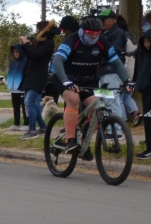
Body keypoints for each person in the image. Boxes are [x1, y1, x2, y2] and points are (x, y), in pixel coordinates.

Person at [51, 16, 131, 153]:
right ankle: (70, 140)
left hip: (87, 79)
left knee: (98, 109)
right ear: (82, 31)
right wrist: (66, 80)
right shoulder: (72, 39)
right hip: (64, 76)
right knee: (73, 99)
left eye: (97, 33)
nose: (94, 36)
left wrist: (127, 81)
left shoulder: (102, 42)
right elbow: (57, 61)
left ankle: (82, 142)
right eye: (90, 33)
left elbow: (116, 63)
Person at [18, 20, 57, 139]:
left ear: (42, 30)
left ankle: (32, 130)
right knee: (34, 103)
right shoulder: (41, 42)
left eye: (37, 29)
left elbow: (36, 54)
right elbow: (30, 54)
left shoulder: (49, 42)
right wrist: (23, 45)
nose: (36, 32)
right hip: (31, 75)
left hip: (38, 76)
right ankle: (43, 127)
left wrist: (27, 44)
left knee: (29, 102)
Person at [133, 26, 151, 159]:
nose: (146, 44)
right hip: (146, 92)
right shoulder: (145, 56)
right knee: (148, 121)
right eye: (145, 41)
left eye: (148, 41)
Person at [6, 44, 27, 131]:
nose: (15, 53)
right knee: (15, 106)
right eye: (14, 52)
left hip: (22, 89)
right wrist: (9, 86)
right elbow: (9, 75)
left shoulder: (25, 62)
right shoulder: (13, 63)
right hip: (13, 89)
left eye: (17, 51)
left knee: (24, 107)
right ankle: (16, 123)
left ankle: (27, 123)